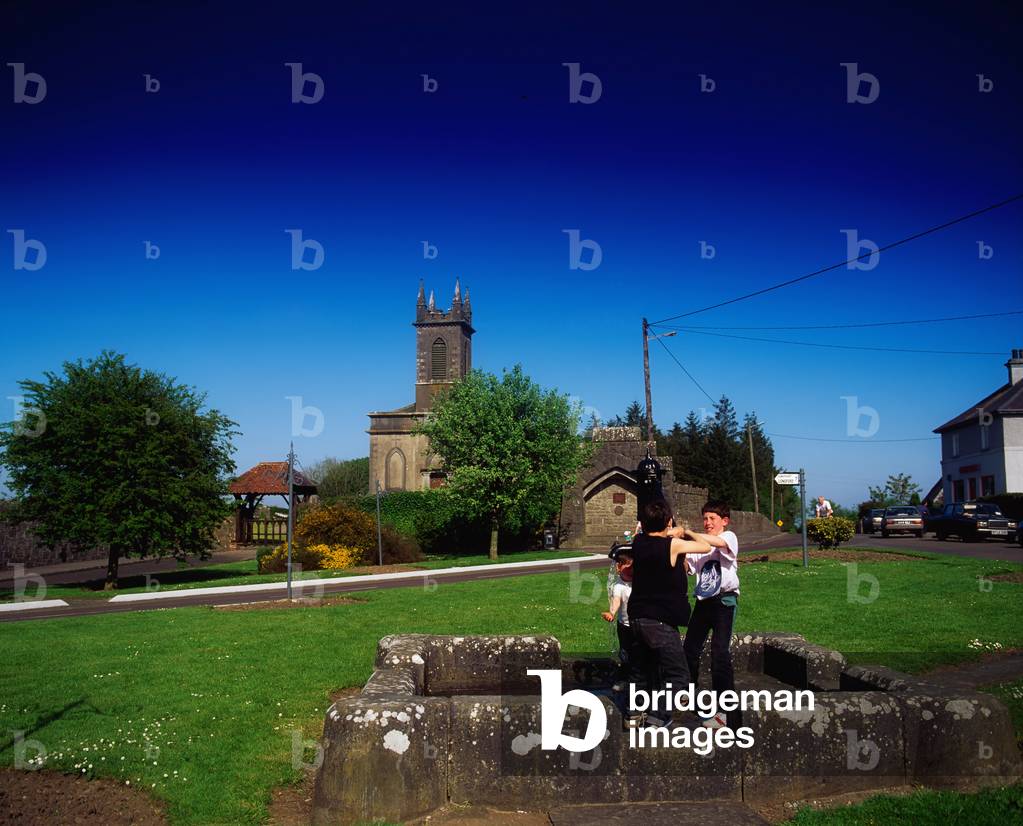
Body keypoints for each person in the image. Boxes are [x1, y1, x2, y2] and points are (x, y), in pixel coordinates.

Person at [628, 498, 712, 728]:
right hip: (660, 620)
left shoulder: (638, 543)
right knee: (678, 675)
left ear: (643, 524)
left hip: (636, 617)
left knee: (642, 669)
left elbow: (645, 536)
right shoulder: (671, 545)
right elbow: (706, 547)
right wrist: (684, 531)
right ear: (668, 521)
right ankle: (658, 717)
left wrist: (665, 531)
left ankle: (634, 714)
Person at [683, 500, 741, 730]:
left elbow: (716, 542)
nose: (707, 523)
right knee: (689, 649)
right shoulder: (700, 545)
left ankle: (724, 711)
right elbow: (689, 568)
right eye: (705, 518)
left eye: (712, 519)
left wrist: (686, 533)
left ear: (724, 521)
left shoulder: (729, 537)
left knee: (720, 653)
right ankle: (687, 692)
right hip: (703, 602)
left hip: (724, 601)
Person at [602, 546, 640, 696]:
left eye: (633, 566)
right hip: (624, 626)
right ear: (619, 567)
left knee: (639, 653)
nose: (631, 569)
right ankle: (624, 679)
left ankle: (638, 680)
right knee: (625, 653)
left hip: (640, 625)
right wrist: (611, 613)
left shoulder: (639, 581)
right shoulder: (618, 585)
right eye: (627, 566)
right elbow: (616, 601)